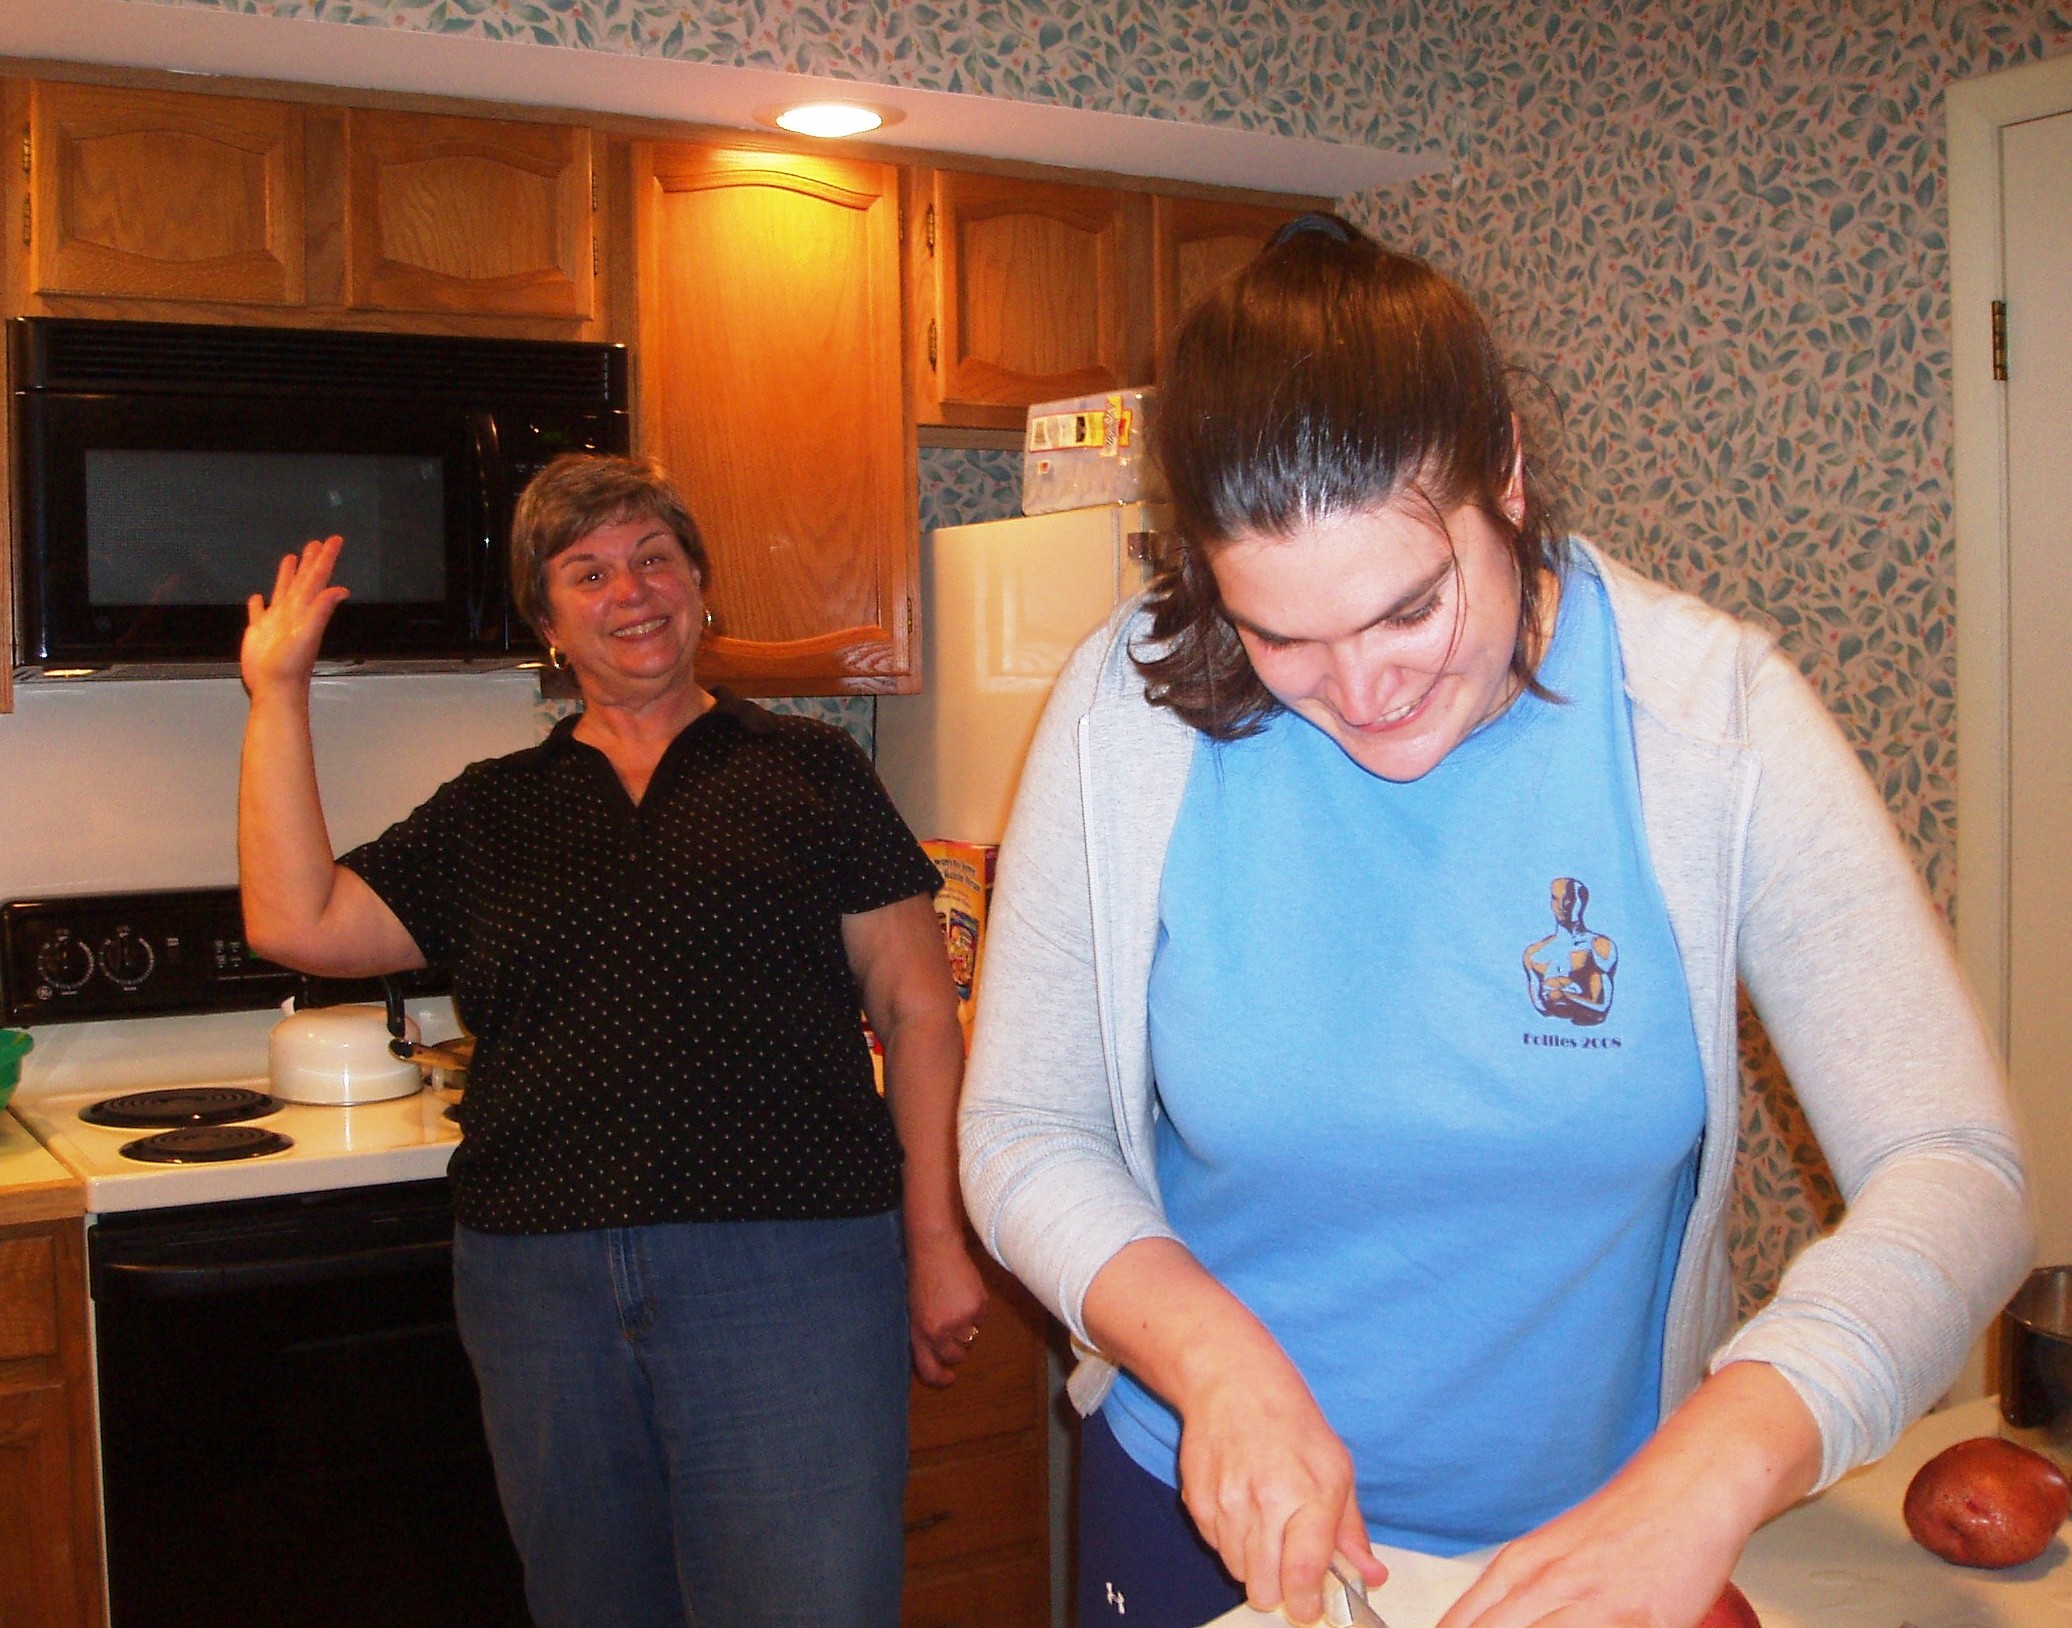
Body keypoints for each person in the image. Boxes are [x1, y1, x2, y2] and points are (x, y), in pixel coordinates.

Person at [958, 216, 2033, 1628]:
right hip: (1205, 1521)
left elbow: (1957, 1167)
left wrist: (1717, 1463)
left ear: (1508, 476)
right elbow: (1025, 1128)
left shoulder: (1709, 723)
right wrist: (1212, 1361)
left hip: (1603, 1540)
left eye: (1408, 607)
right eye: (1279, 635)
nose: (1360, 688)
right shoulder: (1127, 713)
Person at [238, 453, 987, 1628]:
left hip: (790, 1268)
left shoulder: (809, 769)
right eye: (586, 572)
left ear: (698, 585)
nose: (629, 590)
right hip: (542, 1284)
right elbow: (298, 918)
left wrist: (935, 1240)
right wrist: (276, 693)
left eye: (652, 559)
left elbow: (916, 1009)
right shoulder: (492, 809)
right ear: (549, 622)